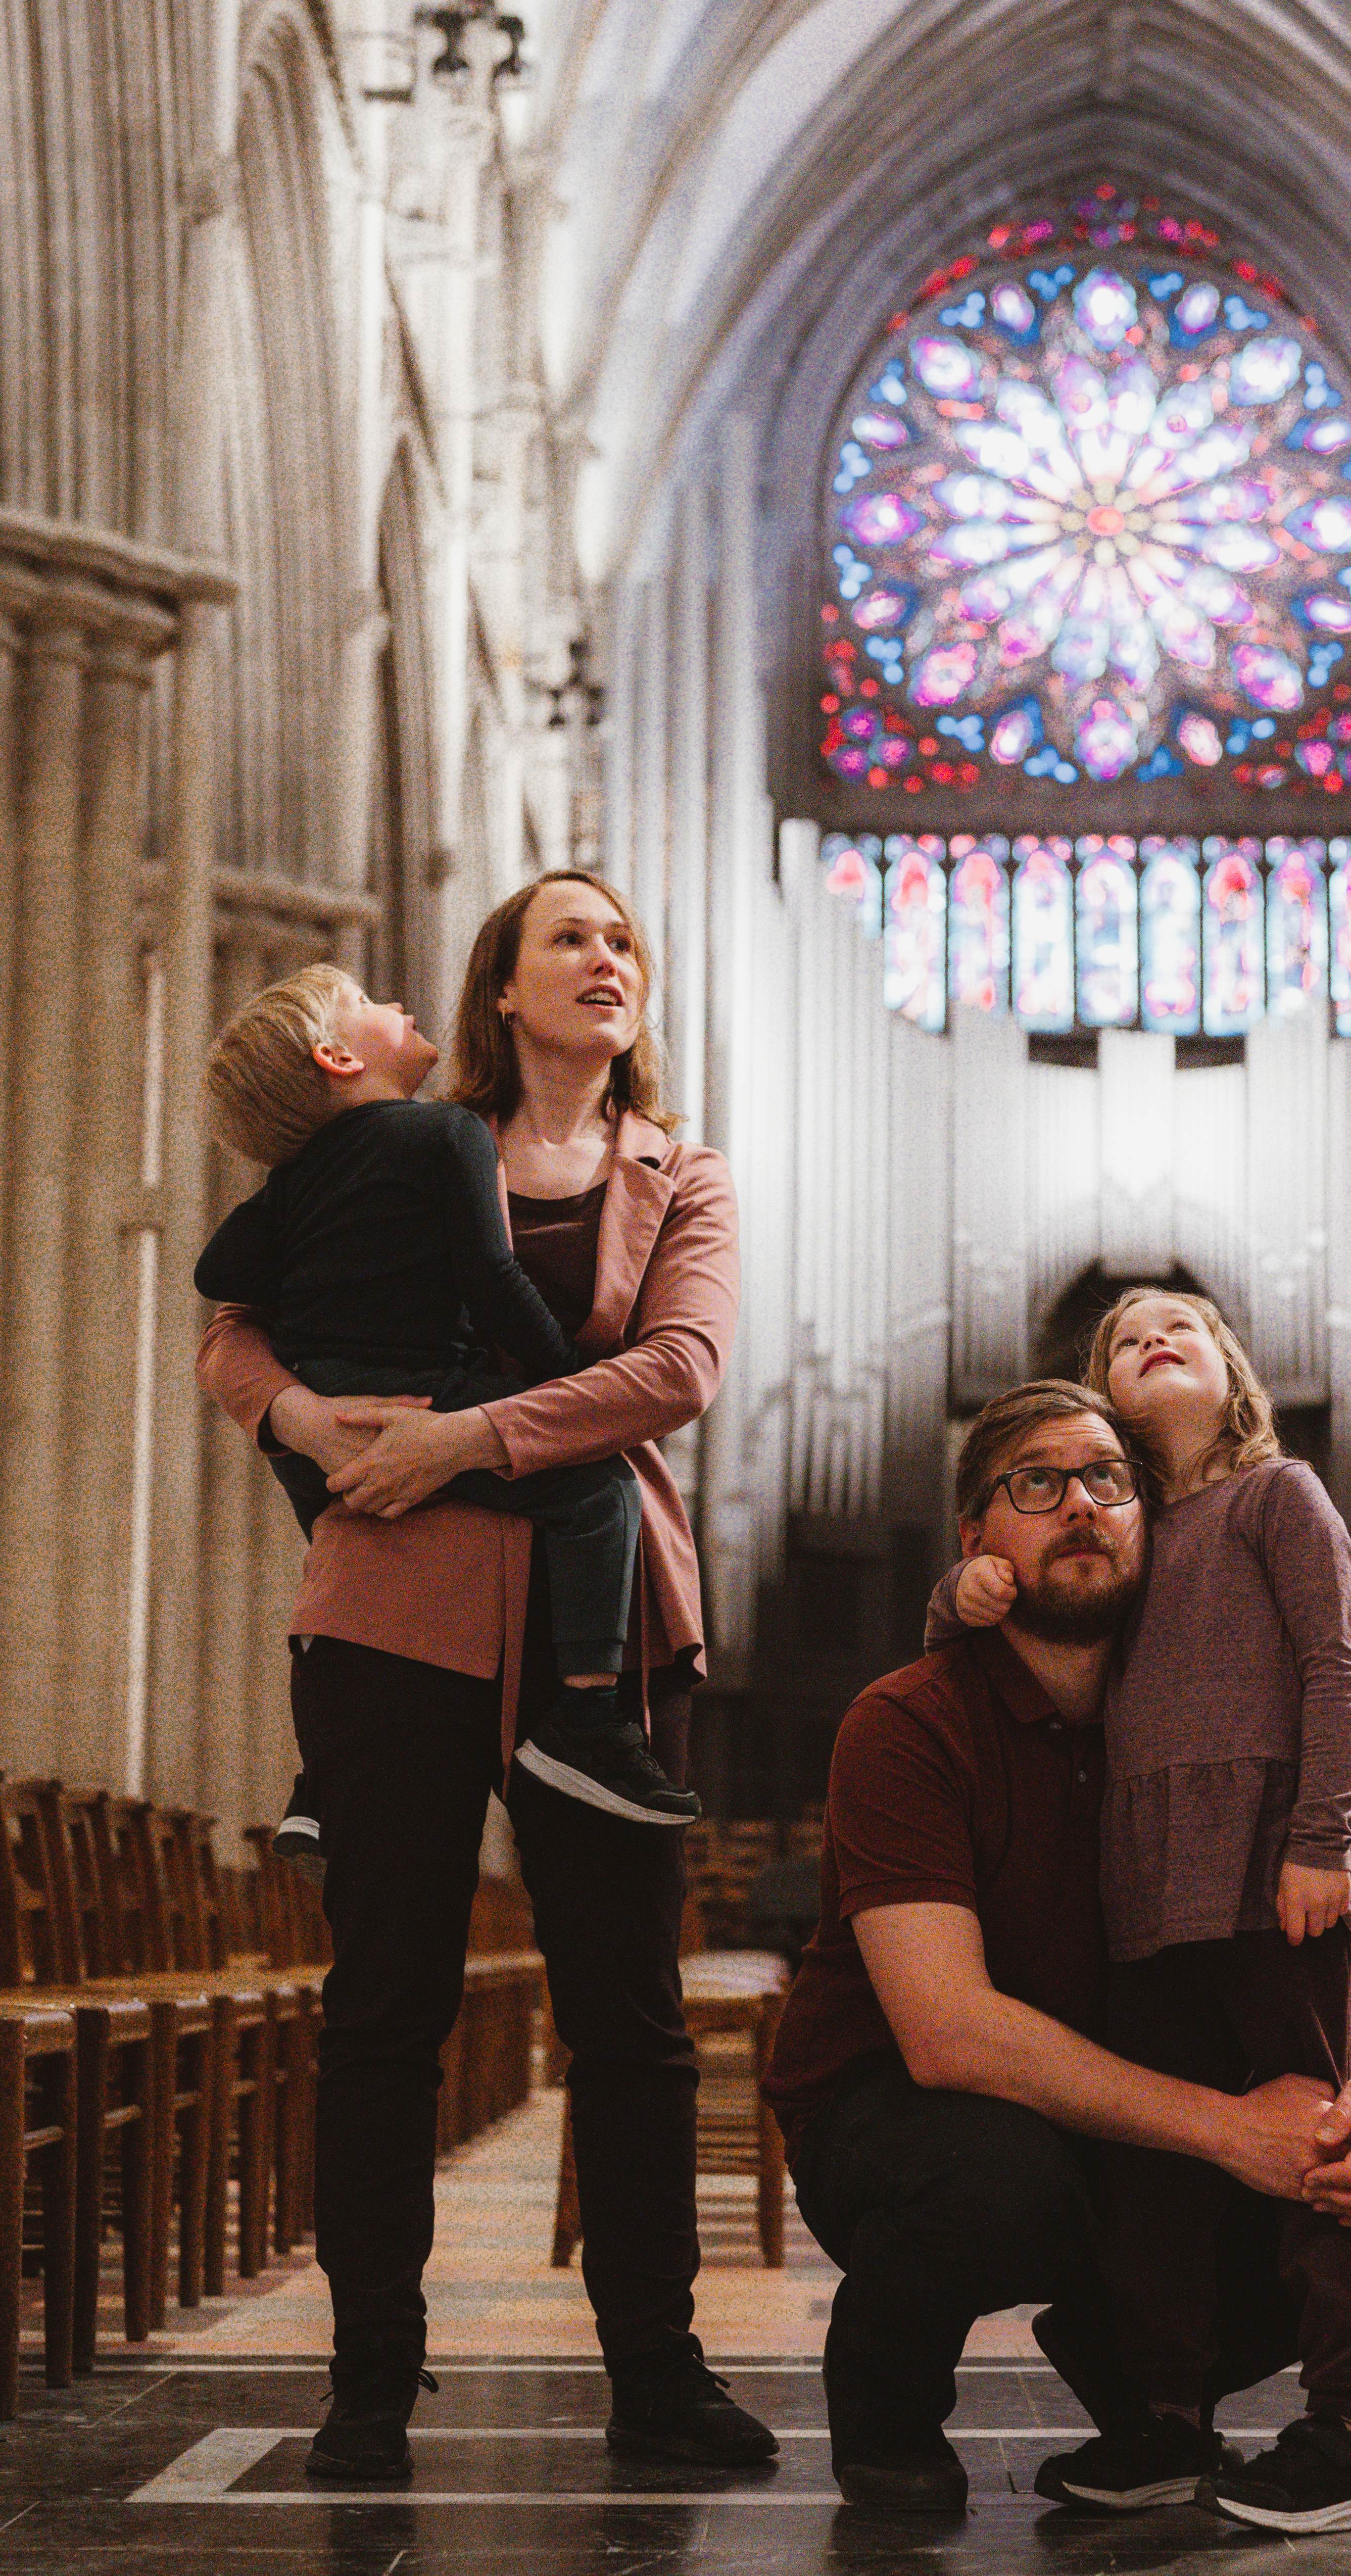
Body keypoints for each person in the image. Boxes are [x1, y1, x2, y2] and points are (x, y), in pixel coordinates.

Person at [197, 871, 776, 2486]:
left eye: (624, 940)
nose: (608, 958)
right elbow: (234, 1326)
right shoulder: (394, 1135)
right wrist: (302, 1421)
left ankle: (655, 2376)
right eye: (570, 938)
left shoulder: (683, 1174)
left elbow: (679, 1370)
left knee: (631, 2015)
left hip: (606, 1630)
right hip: (392, 1604)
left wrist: (472, 1434)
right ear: (501, 991)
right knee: (384, 2006)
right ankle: (368, 2382)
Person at [761, 1380, 1351, 2516]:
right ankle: (886, 2402)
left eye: (1107, 1479)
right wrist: (1229, 2131)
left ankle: (1147, 2378)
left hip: (1120, 2104)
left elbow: (1292, 1952)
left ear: (1151, 1525)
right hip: (901, 2110)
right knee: (1004, 2179)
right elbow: (947, 2033)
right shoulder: (905, 1720)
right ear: (976, 1543)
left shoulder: (1190, 1730)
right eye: (1036, 1481)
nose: (1080, 1505)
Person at [941, 1295, 1351, 2532]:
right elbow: (1035, 1632)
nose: (1151, 1335)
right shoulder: (1127, 1532)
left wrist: (1320, 1840)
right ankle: (1164, 2418)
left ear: (1230, 1372)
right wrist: (966, 1595)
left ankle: (1350, 2430)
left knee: (1319, 2139)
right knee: (1156, 2176)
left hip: (1276, 1880)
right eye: (1124, 1337)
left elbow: (1338, 1669)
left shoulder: (1278, 1496)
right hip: (1147, 1897)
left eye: (1179, 1327)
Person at [196, 961, 697, 1834]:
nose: (394, 1002)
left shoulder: (296, 1176)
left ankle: (320, 1781)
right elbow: (494, 1276)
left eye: (620, 941)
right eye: (366, 1004)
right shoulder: (450, 1136)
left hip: (335, 1401)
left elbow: (219, 1273)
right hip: (429, 1388)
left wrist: (317, 1247)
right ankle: (585, 1718)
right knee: (601, 1492)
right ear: (336, 1057)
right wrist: (558, 1384)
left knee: (338, 1529)